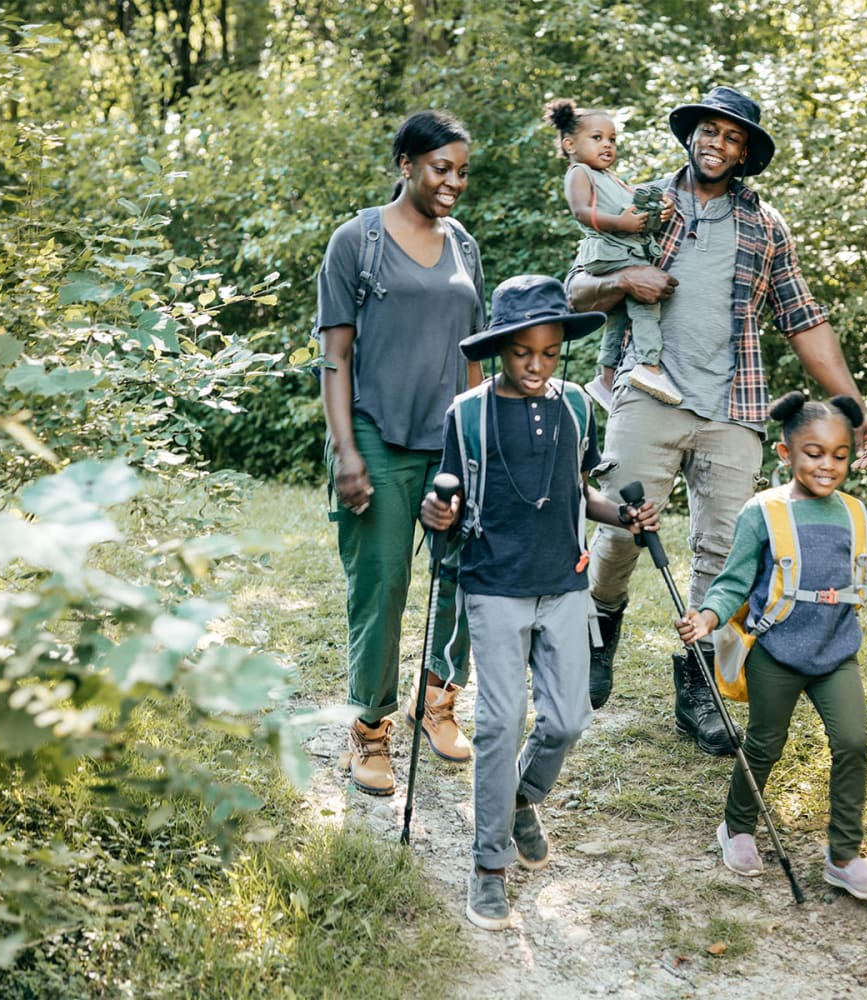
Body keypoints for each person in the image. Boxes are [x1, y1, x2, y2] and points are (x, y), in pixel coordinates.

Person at [568, 85, 867, 748]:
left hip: (734, 406)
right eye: (708, 131)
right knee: (621, 534)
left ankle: (700, 688)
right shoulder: (642, 201)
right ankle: (600, 625)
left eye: (732, 138)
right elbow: (578, 289)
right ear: (691, 135)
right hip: (648, 395)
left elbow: (803, 321)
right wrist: (626, 282)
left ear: (745, 154)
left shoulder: (767, 227)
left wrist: (854, 408)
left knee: (723, 553)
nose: (717, 144)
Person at [420, 274, 660, 931]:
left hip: (564, 583)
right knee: (500, 725)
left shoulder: (578, 405)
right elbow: (442, 503)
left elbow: (581, 493)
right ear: (501, 348)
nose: (537, 365)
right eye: (523, 352)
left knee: (569, 719)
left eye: (550, 353)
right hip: (494, 585)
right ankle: (488, 867)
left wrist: (625, 516)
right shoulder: (466, 415)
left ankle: (523, 798)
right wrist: (437, 511)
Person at [316, 110, 485, 796]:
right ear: (406, 165)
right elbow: (335, 358)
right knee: (382, 588)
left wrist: (478, 446)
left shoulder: (464, 246)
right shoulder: (356, 241)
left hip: (449, 441)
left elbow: (476, 357)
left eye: (462, 171)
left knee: (465, 575)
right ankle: (371, 728)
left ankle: (437, 700)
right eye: (441, 168)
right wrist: (346, 451)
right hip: (378, 442)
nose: (453, 183)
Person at [675, 391, 867, 900]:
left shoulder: (854, 513)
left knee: (854, 742)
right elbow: (733, 581)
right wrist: (708, 616)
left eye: (840, 455)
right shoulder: (763, 513)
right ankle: (738, 827)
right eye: (813, 453)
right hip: (778, 650)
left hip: (836, 652)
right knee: (765, 745)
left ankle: (843, 856)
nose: (828, 465)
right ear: (784, 454)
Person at [544, 98, 679, 413]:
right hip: (608, 252)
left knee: (618, 316)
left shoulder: (612, 179)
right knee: (646, 299)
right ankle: (649, 365)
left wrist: (662, 210)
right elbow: (581, 212)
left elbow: (636, 208)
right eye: (597, 138)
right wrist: (621, 223)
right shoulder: (580, 173)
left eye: (612, 140)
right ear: (569, 144)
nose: (607, 145)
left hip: (621, 249)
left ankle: (605, 378)